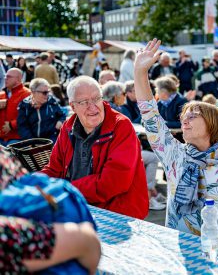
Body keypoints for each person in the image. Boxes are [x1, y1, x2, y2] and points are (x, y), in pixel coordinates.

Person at [135, 39, 218, 243]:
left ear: (212, 125)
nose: (184, 119)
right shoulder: (174, 154)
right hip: (180, 251)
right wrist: (140, 73)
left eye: (193, 115)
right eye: (184, 115)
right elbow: (150, 114)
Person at [41, 76, 149, 219]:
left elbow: (113, 182)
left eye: (96, 99)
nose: (93, 107)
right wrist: (35, 183)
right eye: (84, 102)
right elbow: (54, 168)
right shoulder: (68, 127)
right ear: (73, 106)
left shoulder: (121, 126)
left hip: (116, 214)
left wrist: (67, 189)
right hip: (78, 206)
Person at [0, 146, 101, 274]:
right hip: (70, 220)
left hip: (105, 208)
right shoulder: (68, 130)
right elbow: (54, 168)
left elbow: (113, 180)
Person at [17, 78, 65, 143]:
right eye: (44, 93)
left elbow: (62, 115)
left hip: (52, 141)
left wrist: (61, 121)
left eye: (48, 92)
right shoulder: (25, 105)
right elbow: (23, 127)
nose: (47, 95)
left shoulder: (51, 101)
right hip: (33, 143)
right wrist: (33, 143)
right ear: (33, 92)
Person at [0, 68, 31, 146]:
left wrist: (12, 125)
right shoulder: (2, 94)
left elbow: (30, 116)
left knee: (10, 154)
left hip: (17, 138)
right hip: (2, 137)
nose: (5, 79)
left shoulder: (27, 94)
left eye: (8, 77)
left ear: (18, 79)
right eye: (5, 76)